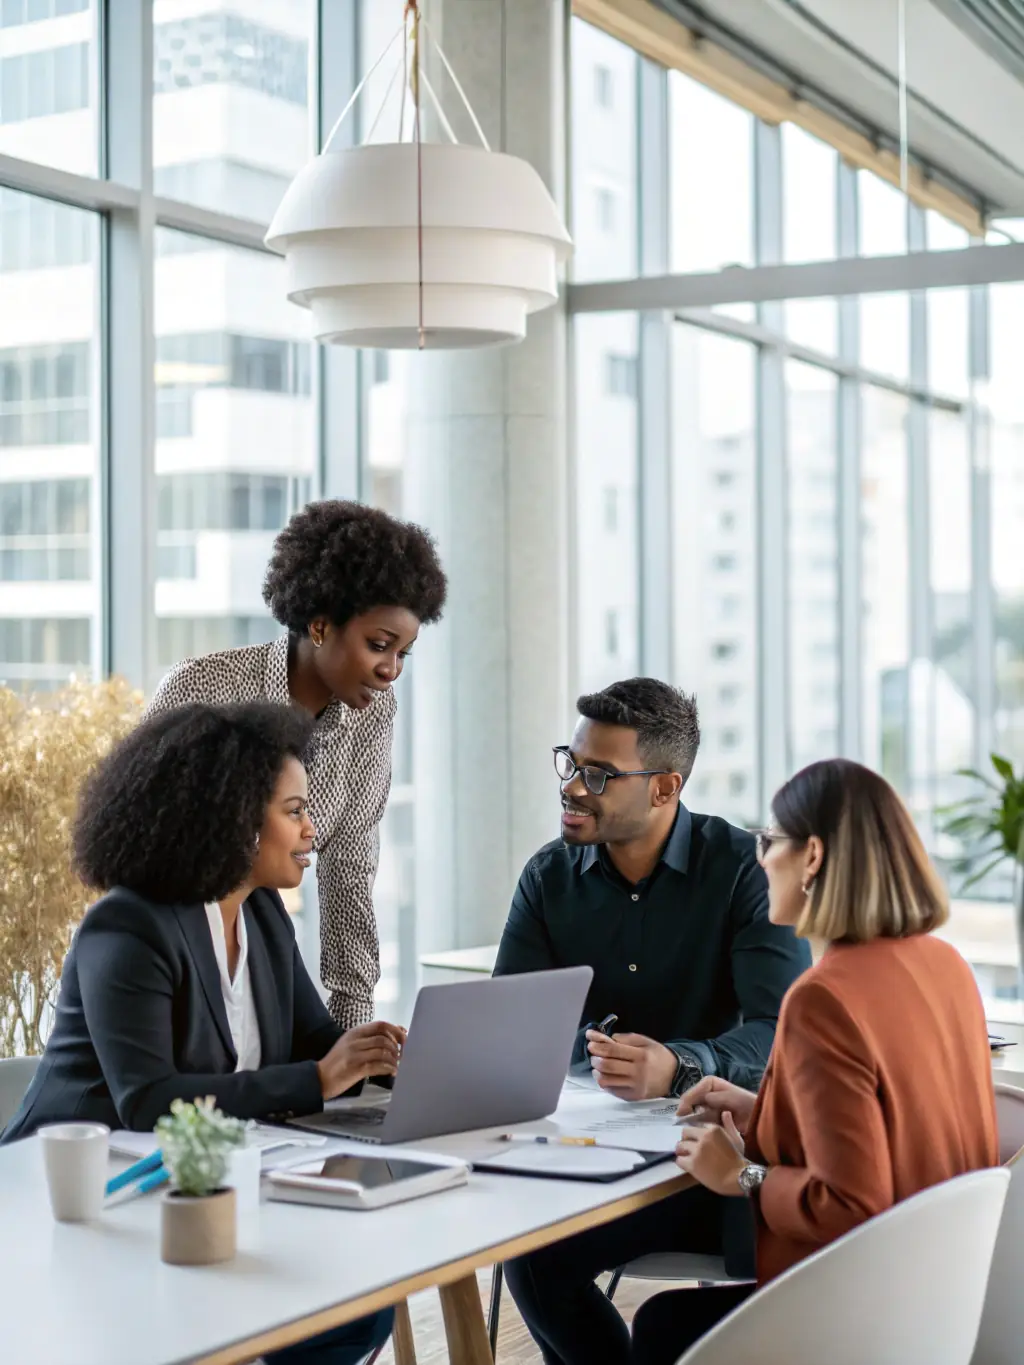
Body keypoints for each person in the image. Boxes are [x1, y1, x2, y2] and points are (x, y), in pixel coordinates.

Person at [1, 701, 401, 1364]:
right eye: (295, 810)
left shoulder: (264, 914)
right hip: (74, 1203)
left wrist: (390, 1059)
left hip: (191, 1192)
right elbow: (150, 1100)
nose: (312, 829)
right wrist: (320, 1078)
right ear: (238, 822)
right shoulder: (129, 926)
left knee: (358, 1302)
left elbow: (314, 1037)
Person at [630, 758, 1000, 1365]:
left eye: (770, 841)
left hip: (852, 1316)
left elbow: (852, 1203)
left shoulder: (822, 996)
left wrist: (739, 1176)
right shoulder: (945, 965)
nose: (759, 858)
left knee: (663, 1326)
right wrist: (765, 1110)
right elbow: (895, 1121)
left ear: (814, 858)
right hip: (940, 1308)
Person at [494, 677, 810, 1365]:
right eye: (571, 763)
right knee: (532, 1256)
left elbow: (782, 1032)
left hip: (718, 1166)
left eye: (599, 774)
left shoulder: (743, 872)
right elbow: (509, 1031)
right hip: (589, 1153)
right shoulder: (547, 877)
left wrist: (679, 1064)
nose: (574, 786)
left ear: (665, 788)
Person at [146, 499, 447, 1029]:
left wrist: (354, 1031)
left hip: (258, 936)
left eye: (404, 653)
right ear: (320, 625)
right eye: (379, 645)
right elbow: (143, 848)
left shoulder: (373, 712)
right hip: (170, 956)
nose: (391, 670)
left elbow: (350, 866)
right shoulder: (204, 690)